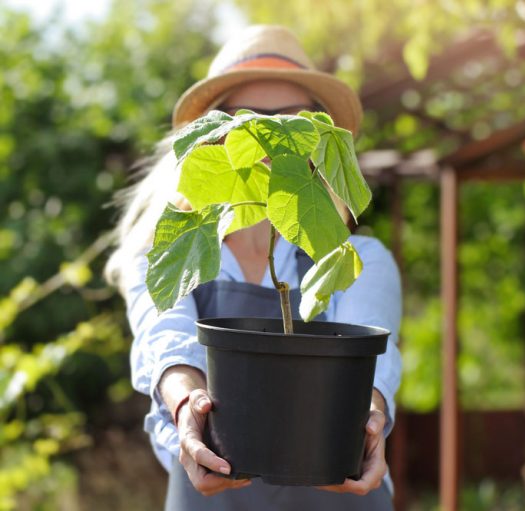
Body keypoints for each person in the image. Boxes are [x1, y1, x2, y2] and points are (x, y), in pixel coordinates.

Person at [105, 25, 402, 510]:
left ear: (318, 133)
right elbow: (167, 339)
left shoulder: (357, 258)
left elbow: (372, 354)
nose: (270, 132)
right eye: (246, 118)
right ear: (212, 133)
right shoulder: (173, 250)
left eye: (292, 119)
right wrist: (187, 406)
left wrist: (368, 417)